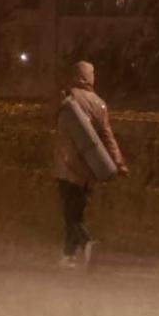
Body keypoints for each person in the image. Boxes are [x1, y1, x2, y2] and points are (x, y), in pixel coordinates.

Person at [54, 59, 127, 266]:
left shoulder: (68, 98)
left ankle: (87, 242)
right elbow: (107, 136)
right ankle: (68, 256)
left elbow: (51, 120)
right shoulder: (99, 103)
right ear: (90, 77)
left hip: (66, 164)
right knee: (77, 210)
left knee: (71, 213)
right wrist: (118, 162)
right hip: (89, 166)